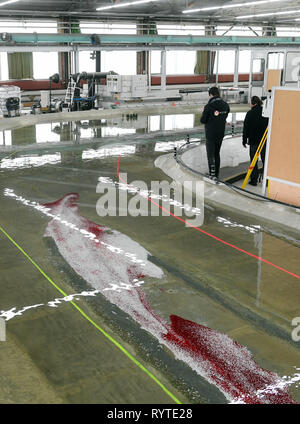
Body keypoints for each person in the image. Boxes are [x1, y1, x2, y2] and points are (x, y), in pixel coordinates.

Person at [200, 86, 230, 180]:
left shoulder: (208, 106)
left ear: (211, 94)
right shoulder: (225, 105)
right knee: (217, 153)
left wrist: (204, 112)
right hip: (220, 133)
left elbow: (203, 120)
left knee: (210, 155)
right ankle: (216, 174)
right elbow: (225, 115)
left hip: (210, 134)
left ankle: (212, 175)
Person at [242, 96, 269, 186]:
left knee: (254, 160)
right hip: (264, 141)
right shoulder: (265, 112)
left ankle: (254, 180)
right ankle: (266, 181)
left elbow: (246, 128)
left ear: (252, 103)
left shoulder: (250, 113)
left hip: (253, 141)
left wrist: (244, 140)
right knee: (265, 160)